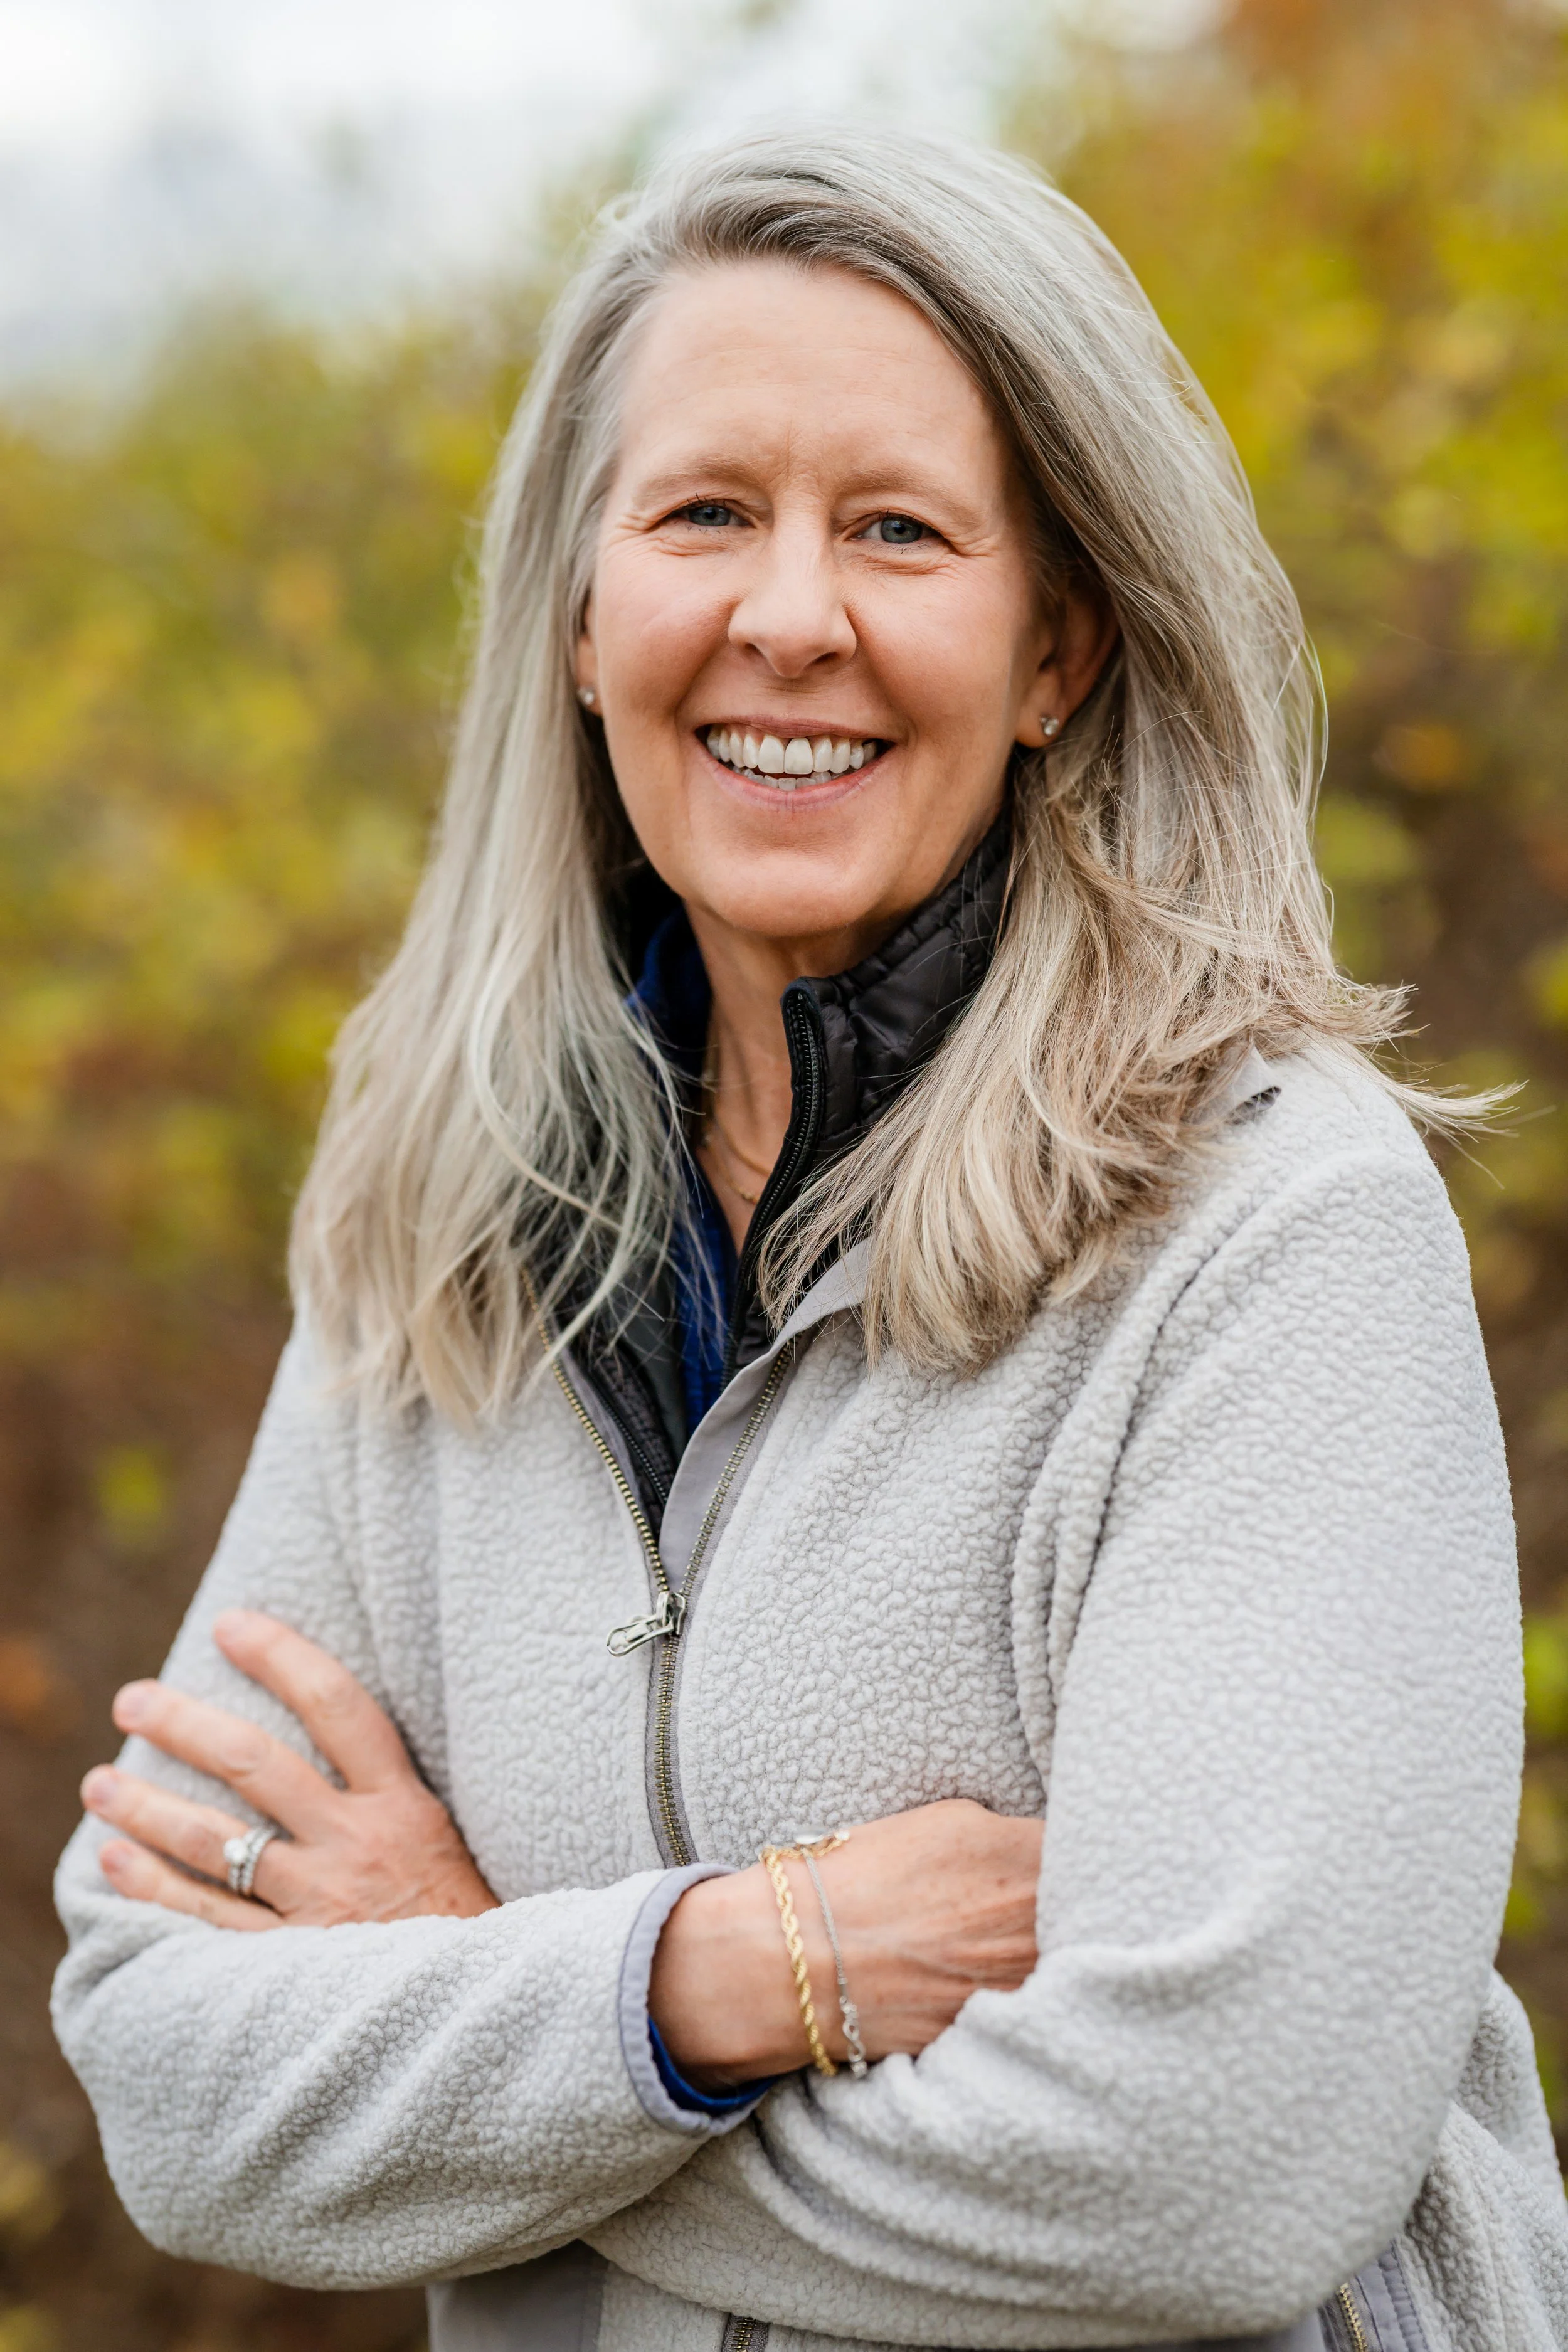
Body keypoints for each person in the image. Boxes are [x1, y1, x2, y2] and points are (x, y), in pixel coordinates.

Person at [51, 129, 1568, 2352]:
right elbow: (174, 2087)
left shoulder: (1274, 1230)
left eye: (895, 529)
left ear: (1054, 645)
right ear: (578, 624)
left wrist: (479, 2014)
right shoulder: (436, 1233)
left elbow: (1211, 2173)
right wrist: (719, 1976)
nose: (788, 616)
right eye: (700, 515)